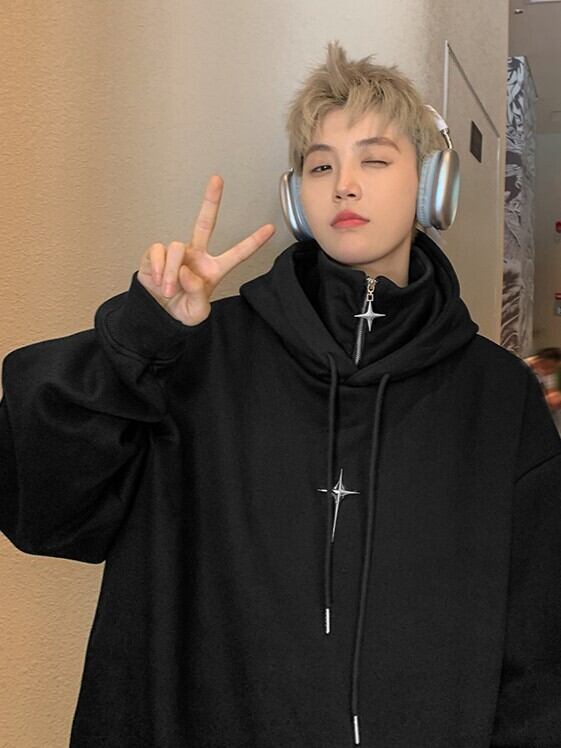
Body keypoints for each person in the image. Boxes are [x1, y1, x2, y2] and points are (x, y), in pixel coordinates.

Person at [1, 40, 561, 748]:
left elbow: (538, 651)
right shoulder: (198, 353)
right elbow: (43, 509)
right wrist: (140, 338)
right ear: (297, 196)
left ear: (431, 186)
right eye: (320, 165)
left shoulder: (498, 397)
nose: (343, 185)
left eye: (375, 160)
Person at [525, 347, 561, 435]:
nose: (551, 371)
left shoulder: (548, 373)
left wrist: (553, 397)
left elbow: (551, 391)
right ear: (540, 360)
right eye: (549, 367)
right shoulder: (522, 368)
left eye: (553, 368)